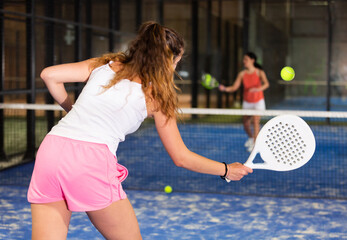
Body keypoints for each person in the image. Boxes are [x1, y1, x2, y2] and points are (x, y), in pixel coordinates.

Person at [27, 21, 253, 240]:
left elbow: (49, 75)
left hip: (52, 149)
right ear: (167, 61)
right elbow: (181, 157)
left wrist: (73, 110)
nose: (174, 68)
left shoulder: (105, 64)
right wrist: (225, 170)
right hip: (90, 160)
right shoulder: (157, 97)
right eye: (176, 62)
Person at [219, 52, 269, 152]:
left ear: (252, 60)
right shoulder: (242, 74)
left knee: (255, 121)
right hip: (247, 102)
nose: (244, 61)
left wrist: (258, 89)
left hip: (258, 101)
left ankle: (255, 145)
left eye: (246, 59)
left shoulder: (259, 72)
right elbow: (234, 87)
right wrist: (225, 89)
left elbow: (266, 84)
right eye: (244, 59)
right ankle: (251, 138)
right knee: (245, 123)